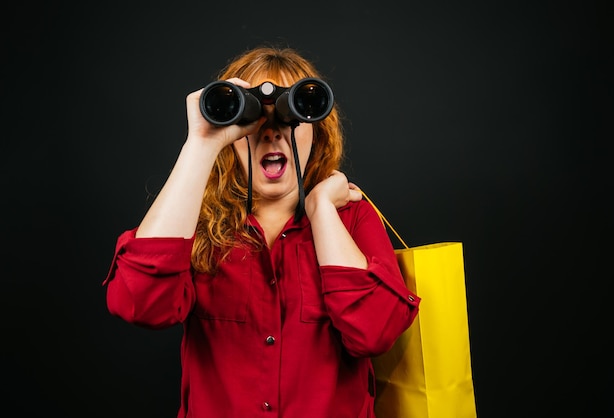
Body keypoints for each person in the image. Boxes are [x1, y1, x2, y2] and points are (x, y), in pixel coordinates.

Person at [103, 45, 420, 418]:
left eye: (290, 114)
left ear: (316, 129)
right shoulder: (195, 224)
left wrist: (320, 211)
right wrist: (201, 144)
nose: (271, 131)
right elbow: (140, 302)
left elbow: (373, 332)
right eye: (254, 119)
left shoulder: (350, 217)